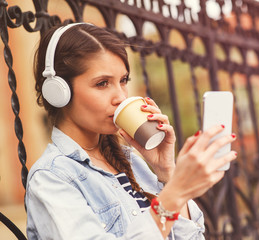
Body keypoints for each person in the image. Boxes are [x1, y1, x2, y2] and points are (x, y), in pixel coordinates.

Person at [25, 22, 237, 240]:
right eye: (102, 83)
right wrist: (174, 194)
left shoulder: (132, 163)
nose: (120, 97)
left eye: (123, 80)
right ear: (59, 92)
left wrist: (166, 172)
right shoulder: (52, 178)